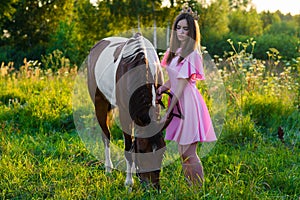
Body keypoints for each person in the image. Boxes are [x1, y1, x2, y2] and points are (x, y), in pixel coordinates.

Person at [157, 5, 217, 187]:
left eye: (185, 29)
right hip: (176, 99)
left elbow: (182, 85)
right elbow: (173, 80)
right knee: (182, 151)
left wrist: (169, 110)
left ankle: (199, 189)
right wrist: (161, 89)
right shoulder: (173, 52)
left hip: (187, 102)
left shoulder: (192, 54)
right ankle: (190, 186)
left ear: (192, 32)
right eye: (178, 28)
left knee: (190, 152)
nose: (181, 32)